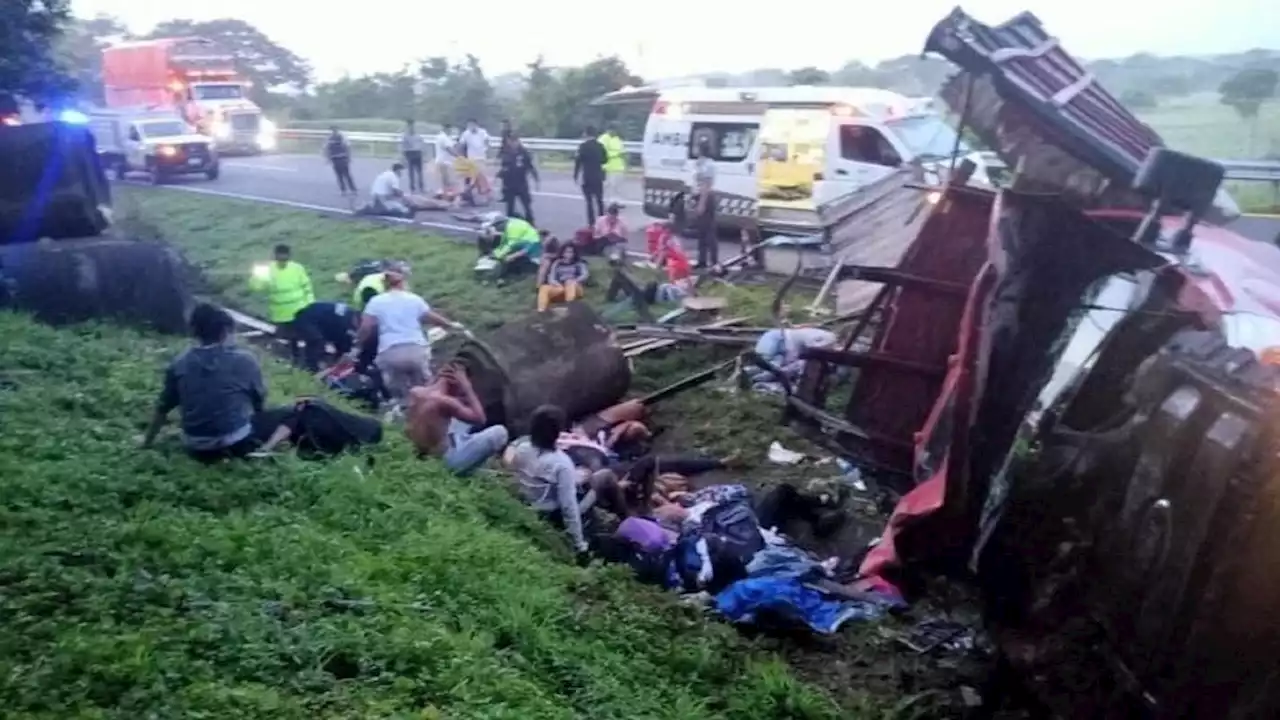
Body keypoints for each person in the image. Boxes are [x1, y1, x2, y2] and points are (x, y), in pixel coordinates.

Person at [139, 304, 293, 462]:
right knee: (293, 412)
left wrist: (146, 442)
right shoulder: (245, 360)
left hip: (195, 446)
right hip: (236, 443)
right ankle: (264, 450)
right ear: (225, 331)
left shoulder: (179, 363)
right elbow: (259, 401)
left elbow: (162, 408)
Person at [507, 405, 615, 559]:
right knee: (603, 477)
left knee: (581, 477)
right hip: (550, 513)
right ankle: (623, 517)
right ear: (558, 432)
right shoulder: (561, 463)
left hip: (527, 500)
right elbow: (568, 507)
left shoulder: (522, 449)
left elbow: (515, 476)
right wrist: (580, 545)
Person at [350, 271, 464, 406]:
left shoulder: (375, 302)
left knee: (401, 394)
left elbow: (366, 328)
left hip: (390, 352)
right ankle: (432, 412)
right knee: (427, 389)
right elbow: (431, 317)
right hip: (416, 349)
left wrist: (357, 344)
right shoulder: (414, 299)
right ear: (402, 283)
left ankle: (406, 413)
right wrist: (450, 325)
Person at [404, 364, 510, 475]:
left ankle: (467, 446)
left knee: (459, 420)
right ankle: (470, 468)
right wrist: (467, 387)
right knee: (500, 432)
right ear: (456, 383)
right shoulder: (445, 402)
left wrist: (436, 379)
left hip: (420, 450)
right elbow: (480, 419)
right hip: (443, 461)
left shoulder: (416, 392)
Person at [248, 244, 315, 363]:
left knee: (305, 337)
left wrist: (310, 304)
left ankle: (307, 360)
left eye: (285, 258)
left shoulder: (297, 268)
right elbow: (256, 287)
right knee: (287, 339)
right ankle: (291, 360)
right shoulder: (268, 270)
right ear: (275, 257)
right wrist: (256, 276)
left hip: (300, 310)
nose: (283, 261)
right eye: (280, 258)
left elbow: (307, 287)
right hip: (281, 313)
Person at [291, 300, 360, 372]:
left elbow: (343, 343)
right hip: (306, 319)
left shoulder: (348, 314)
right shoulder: (345, 322)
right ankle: (310, 369)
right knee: (317, 342)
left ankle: (316, 362)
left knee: (321, 342)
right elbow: (341, 341)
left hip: (315, 320)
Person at [480, 215, 544, 283]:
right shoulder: (508, 227)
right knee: (506, 257)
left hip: (532, 245)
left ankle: (528, 269)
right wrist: (495, 253)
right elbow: (504, 243)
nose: (496, 229)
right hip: (524, 243)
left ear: (501, 224)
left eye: (496, 227)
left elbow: (510, 245)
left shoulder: (512, 227)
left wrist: (497, 255)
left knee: (509, 258)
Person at [498, 135, 540, 224]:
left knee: (527, 205)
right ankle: (511, 222)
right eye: (511, 142)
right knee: (510, 207)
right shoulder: (507, 152)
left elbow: (530, 167)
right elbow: (504, 168)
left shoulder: (524, 152)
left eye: (514, 141)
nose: (513, 144)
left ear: (518, 141)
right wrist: (501, 178)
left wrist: (536, 180)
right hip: (509, 184)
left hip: (521, 183)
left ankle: (530, 222)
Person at [690, 139, 718, 269]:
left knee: (709, 231)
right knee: (701, 231)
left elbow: (706, 185)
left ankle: (714, 261)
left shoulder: (708, 165)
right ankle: (702, 260)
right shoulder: (699, 163)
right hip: (698, 196)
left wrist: (702, 203)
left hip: (706, 198)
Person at [538, 243, 589, 311]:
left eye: (570, 252)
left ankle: (570, 307)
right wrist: (556, 284)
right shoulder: (557, 263)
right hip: (561, 287)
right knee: (544, 288)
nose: (568, 254)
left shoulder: (579, 263)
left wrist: (575, 280)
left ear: (574, 253)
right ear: (562, 253)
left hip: (575, 287)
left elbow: (585, 275)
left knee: (569, 283)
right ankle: (541, 310)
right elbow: (551, 277)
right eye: (566, 252)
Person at [574, 125, 607, 226]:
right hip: (598, 176)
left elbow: (578, 162)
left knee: (589, 202)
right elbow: (605, 160)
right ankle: (602, 220)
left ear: (586, 134)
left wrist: (575, 175)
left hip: (587, 177)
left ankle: (591, 223)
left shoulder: (583, 147)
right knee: (599, 200)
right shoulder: (600, 146)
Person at [324, 126, 357, 195]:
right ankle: (349, 189)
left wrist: (328, 158)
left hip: (339, 158)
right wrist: (349, 157)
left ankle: (346, 190)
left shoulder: (331, 138)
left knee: (342, 175)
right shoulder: (340, 137)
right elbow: (348, 147)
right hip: (340, 158)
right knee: (344, 175)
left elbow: (327, 149)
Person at [459, 118, 491, 187]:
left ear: (476, 125)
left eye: (472, 124)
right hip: (471, 159)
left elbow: (487, 140)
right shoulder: (466, 133)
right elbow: (461, 144)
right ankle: (470, 192)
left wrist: (485, 149)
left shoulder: (482, 132)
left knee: (482, 176)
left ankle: (484, 191)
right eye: (469, 125)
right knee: (472, 177)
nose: (471, 126)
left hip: (481, 158)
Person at [599, 125, 626, 204]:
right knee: (610, 185)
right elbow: (602, 152)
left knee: (618, 185)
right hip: (608, 166)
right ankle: (608, 200)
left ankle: (617, 200)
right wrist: (616, 154)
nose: (615, 132)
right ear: (609, 130)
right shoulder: (603, 139)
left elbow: (622, 151)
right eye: (613, 130)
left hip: (619, 166)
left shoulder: (617, 139)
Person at [400, 119, 425, 193]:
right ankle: (412, 188)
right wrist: (404, 157)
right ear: (408, 126)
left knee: (420, 172)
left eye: (412, 126)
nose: (412, 127)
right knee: (411, 173)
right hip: (410, 154)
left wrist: (423, 153)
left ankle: (421, 187)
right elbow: (404, 147)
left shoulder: (418, 135)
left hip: (418, 154)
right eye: (410, 126)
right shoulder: (405, 136)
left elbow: (422, 144)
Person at [434, 123, 458, 194]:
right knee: (446, 181)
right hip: (444, 162)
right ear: (446, 129)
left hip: (446, 162)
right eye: (450, 130)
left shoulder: (446, 137)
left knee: (446, 181)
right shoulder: (443, 137)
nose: (451, 131)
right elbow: (449, 149)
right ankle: (446, 195)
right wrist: (459, 156)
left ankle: (446, 193)